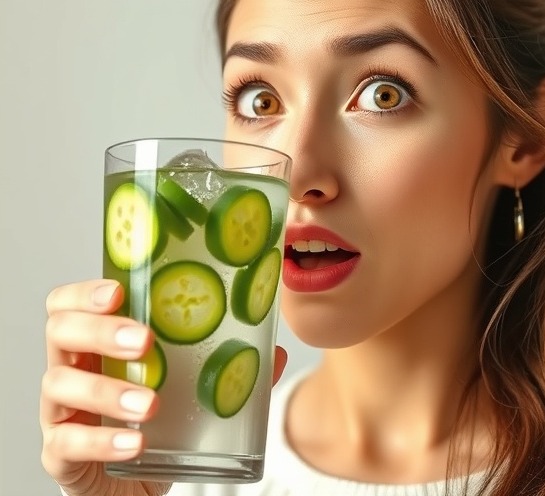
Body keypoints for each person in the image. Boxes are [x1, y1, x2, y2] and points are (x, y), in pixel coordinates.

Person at [38, 0, 545, 494]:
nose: (297, 175)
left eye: (383, 95)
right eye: (260, 101)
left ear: (524, 139)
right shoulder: (190, 471)